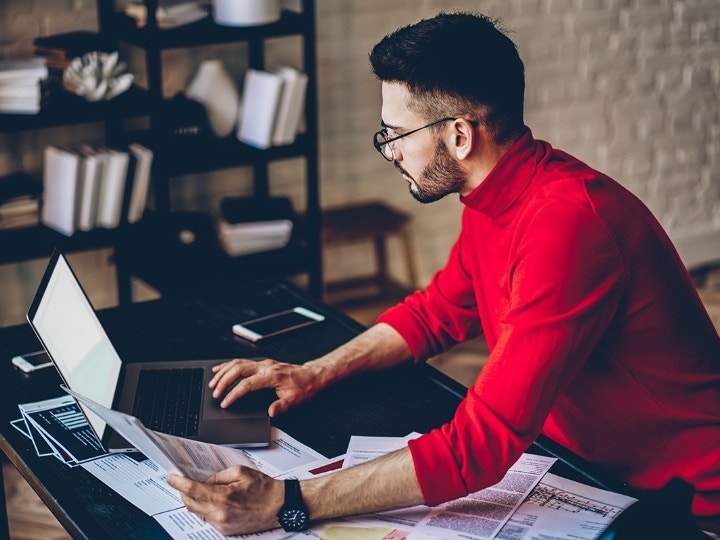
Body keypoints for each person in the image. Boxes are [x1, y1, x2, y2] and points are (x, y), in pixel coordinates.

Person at [167, 11, 720, 536]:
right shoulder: (496, 193)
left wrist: (286, 502)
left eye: (395, 133)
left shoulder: (569, 224)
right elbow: (437, 312)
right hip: (583, 465)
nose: (391, 153)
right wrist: (314, 373)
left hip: (686, 501)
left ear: (459, 135)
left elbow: (481, 446)